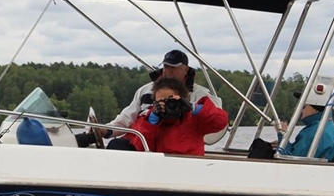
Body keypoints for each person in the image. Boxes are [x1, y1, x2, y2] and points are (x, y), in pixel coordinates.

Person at [76, 49, 223, 149]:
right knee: (117, 146)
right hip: (145, 143)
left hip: (180, 145)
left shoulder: (201, 95)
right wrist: (104, 131)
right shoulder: (145, 92)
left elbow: (218, 124)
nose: (168, 71)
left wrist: (193, 108)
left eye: (173, 67)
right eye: (166, 66)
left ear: (186, 69)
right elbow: (126, 119)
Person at [126, 77, 229, 155]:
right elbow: (141, 149)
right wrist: (151, 123)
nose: (167, 104)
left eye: (171, 100)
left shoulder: (194, 119)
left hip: (191, 168)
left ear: (182, 98)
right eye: (161, 101)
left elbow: (220, 122)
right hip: (162, 168)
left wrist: (193, 107)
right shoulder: (148, 120)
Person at [274, 75, 334, 161]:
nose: (301, 110)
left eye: (304, 106)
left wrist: (282, 135)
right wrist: (281, 144)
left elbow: (291, 160)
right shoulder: (324, 126)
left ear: (314, 109)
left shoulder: (315, 133)